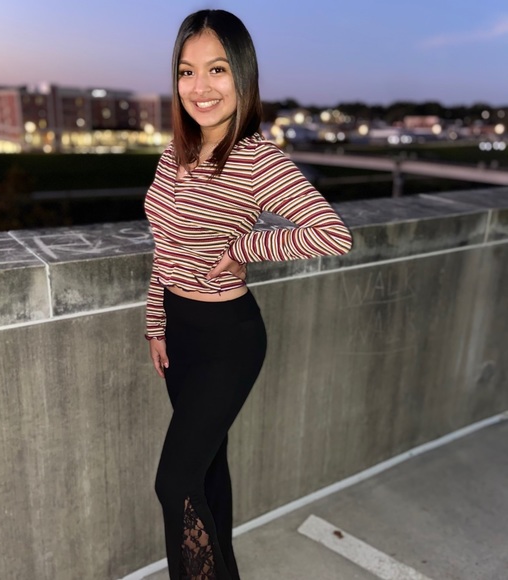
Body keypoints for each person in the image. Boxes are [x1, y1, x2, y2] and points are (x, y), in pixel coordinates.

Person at [144, 9, 353, 579]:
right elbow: (163, 247)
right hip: (180, 334)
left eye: (216, 69)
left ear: (242, 75)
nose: (200, 87)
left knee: (174, 482)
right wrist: (156, 325)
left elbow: (331, 233)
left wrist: (246, 246)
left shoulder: (257, 158)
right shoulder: (173, 154)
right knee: (207, 470)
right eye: (186, 72)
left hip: (227, 340)